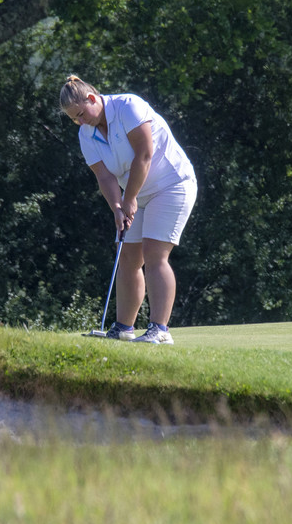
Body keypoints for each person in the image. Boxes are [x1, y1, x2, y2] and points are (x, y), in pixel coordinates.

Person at [60, 75, 197, 344]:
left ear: (92, 99)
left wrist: (129, 199)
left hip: (171, 185)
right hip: (136, 192)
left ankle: (160, 330)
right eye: (73, 118)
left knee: (154, 254)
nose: (79, 121)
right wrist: (117, 208)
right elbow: (105, 177)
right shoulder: (86, 133)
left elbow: (144, 154)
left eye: (80, 114)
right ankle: (123, 328)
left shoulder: (128, 107)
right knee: (129, 258)